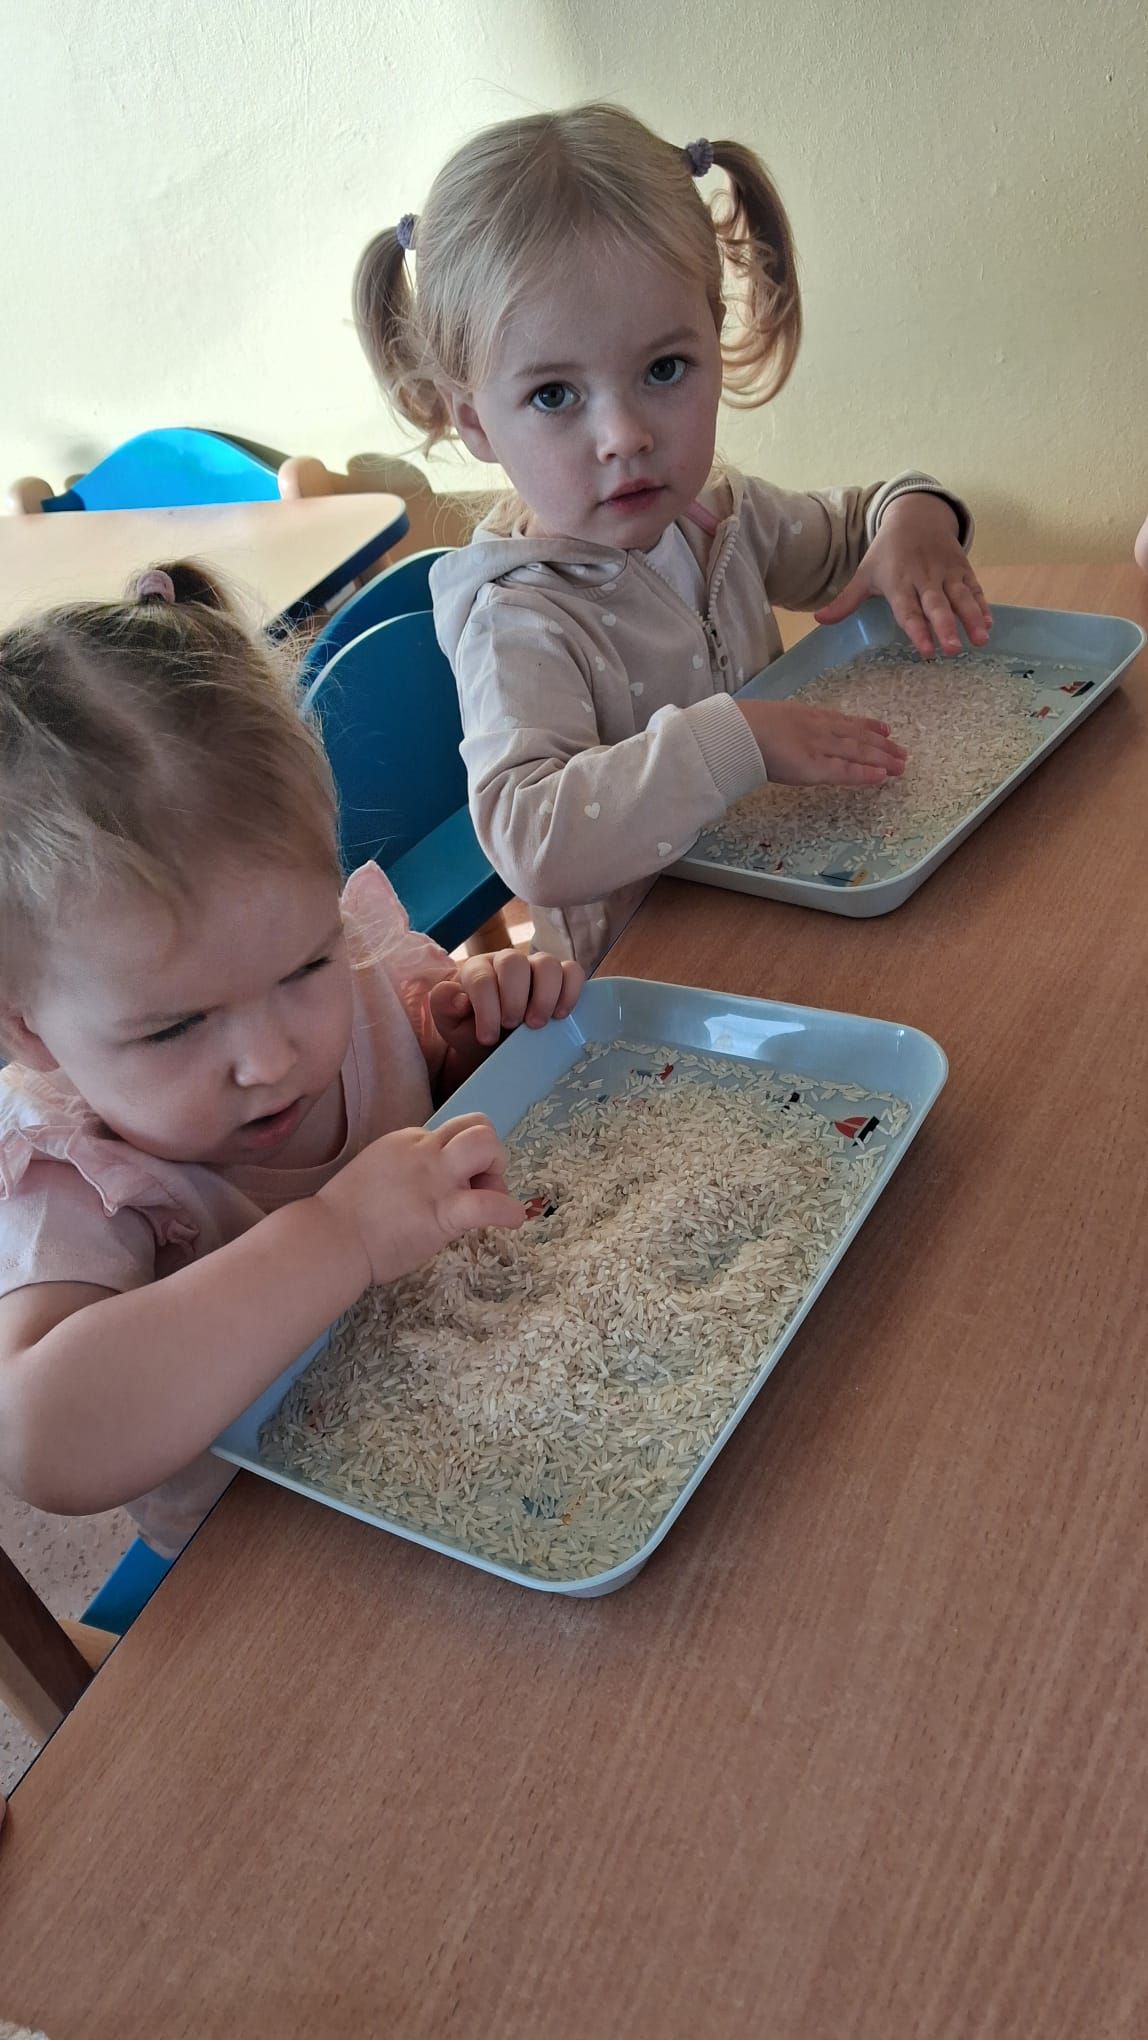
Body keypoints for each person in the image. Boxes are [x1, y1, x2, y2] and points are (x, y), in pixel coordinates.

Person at [0, 563, 582, 1556]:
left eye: (306, 963)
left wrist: (468, 1048)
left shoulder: (357, 967)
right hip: (280, 1559)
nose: (271, 1060)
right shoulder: (69, 1173)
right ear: (28, 1031)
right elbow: (45, 1442)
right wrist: (337, 1236)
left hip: (484, 1420)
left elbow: (427, 1127)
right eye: (175, 1029)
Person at [354, 102, 990, 970]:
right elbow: (530, 836)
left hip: (800, 904)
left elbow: (856, 534)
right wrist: (735, 741)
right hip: (653, 982)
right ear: (473, 421)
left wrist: (916, 517)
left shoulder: (720, 519)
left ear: (714, 346)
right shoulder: (518, 619)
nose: (625, 435)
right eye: (554, 395)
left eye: (663, 369)